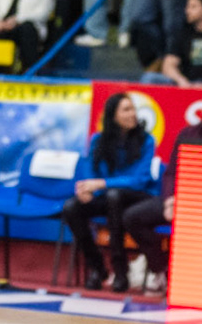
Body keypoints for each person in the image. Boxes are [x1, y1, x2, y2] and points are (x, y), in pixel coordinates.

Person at [62, 92, 158, 292]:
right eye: (126, 110)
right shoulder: (98, 140)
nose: (133, 114)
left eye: (133, 109)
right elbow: (90, 173)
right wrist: (86, 190)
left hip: (136, 198)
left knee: (115, 196)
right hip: (106, 196)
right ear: (113, 116)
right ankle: (97, 269)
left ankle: (120, 271)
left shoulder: (146, 140)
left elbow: (139, 181)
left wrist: (102, 184)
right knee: (71, 207)